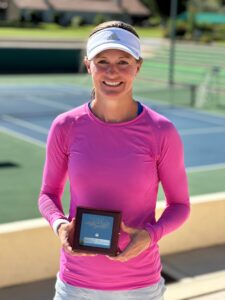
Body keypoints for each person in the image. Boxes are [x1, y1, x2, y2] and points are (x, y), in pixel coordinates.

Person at [38, 20, 190, 300]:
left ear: (138, 66)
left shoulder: (162, 132)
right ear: (88, 65)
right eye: (102, 61)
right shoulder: (65, 126)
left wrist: (151, 235)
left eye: (123, 61)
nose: (112, 71)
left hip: (140, 287)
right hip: (75, 286)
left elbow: (180, 205)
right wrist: (60, 225)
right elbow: (48, 194)